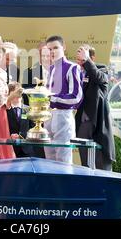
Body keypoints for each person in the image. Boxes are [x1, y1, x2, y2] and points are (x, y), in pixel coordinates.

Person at [75, 45, 115, 170]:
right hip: (82, 123)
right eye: (79, 60)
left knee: (101, 164)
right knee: (85, 163)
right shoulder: (77, 72)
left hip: (97, 124)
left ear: (92, 58)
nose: (81, 63)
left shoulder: (102, 69)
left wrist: (87, 61)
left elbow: (99, 78)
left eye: (83, 60)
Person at [45, 35, 83, 164]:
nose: (52, 52)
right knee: (49, 160)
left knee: (63, 161)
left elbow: (76, 97)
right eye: (49, 49)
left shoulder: (73, 68)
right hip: (48, 117)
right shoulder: (50, 69)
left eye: (55, 48)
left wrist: (52, 99)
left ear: (64, 47)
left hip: (63, 118)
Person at [6, 82, 45, 158]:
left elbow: (34, 128)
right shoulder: (5, 110)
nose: (18, 94)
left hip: (27, 150)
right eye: (15, 92)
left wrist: (22, 136)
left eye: (20, 92)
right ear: (9, 94)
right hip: (10, 149)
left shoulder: (29, 109)